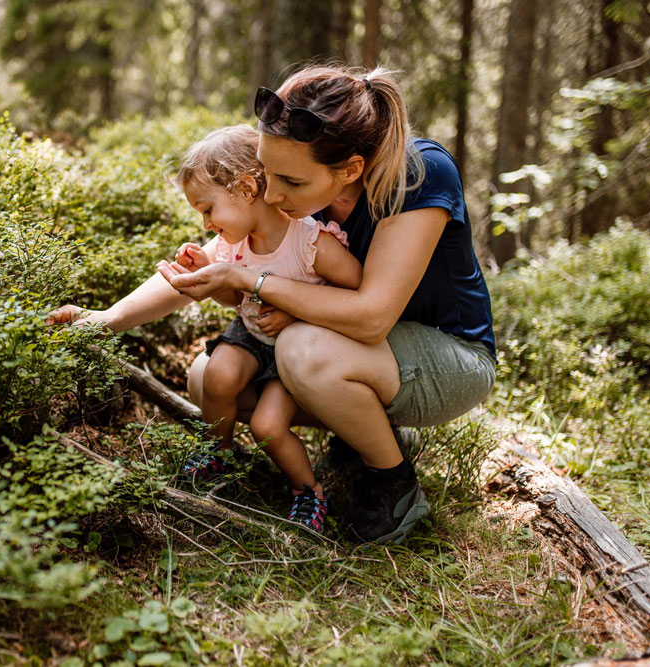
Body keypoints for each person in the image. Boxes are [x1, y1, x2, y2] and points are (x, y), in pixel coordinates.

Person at [50, 64, 496, 545]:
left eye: (290, 183)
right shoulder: (298, 179)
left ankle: (393, 483)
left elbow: (370, 317)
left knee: (302, 349)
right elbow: (212, 263)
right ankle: (364, 429)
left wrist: (251, 280)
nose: (273, 193)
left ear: (351, 170)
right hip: (369, 351)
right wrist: (106, 320)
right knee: (208, 377)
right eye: (267, 173)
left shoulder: (418, 175)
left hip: (451, 357)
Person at [155, 124, 362, 534]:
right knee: (218, 373)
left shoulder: (311, 243)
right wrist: (204, 277)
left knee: (269, 426)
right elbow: (236, 301)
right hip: (251, 335)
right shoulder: (234, 246)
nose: (206, 224)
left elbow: (355, 291)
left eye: (208, 209)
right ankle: (219, 451)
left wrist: (297, 314)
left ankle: (309, 493)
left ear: (248, 188)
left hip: (296, 345)